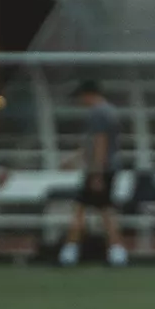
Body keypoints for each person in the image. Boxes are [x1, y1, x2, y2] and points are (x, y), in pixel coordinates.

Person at [58, 79, 127, 267]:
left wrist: (96, 172)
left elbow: (100, 142)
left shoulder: (98, 113)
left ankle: (70, 253)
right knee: (103, 210)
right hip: (107, 168)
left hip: (99, 169)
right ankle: (116, 253)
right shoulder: (110, 111)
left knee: (88, 209)